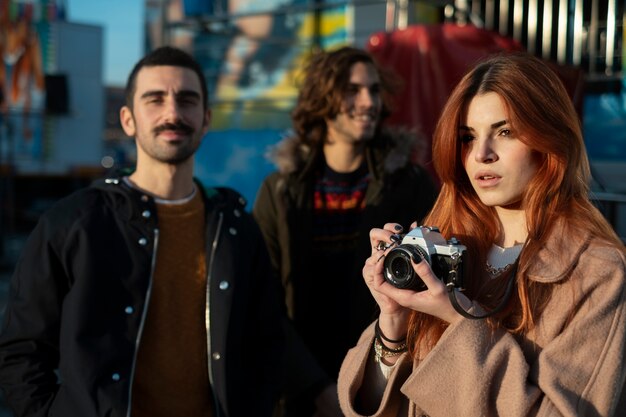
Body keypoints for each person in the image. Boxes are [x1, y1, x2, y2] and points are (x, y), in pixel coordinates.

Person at [0, 46, 285, 417]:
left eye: (187, 100)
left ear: (206, 119)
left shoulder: (234, 228)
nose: (172, 113)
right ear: (128, 119)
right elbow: (20, 353)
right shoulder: (73, 224)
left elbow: (267, 344)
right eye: (155, 99)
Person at [338, 51, 626, 416]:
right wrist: (393, 322)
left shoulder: (597, 273)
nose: (481, 154)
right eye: (468, 137)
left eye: (504, 132)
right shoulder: (441, 245)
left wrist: (459, 322)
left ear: (548, 139)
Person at [253, 46, 438, 416]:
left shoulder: (410, 184)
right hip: (301, 392)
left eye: (373, 89)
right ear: (323, 98)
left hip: (386, 383)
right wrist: (316, 388)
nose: (368, 101)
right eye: (353, 90)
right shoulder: (280, 192)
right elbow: (263, 303)